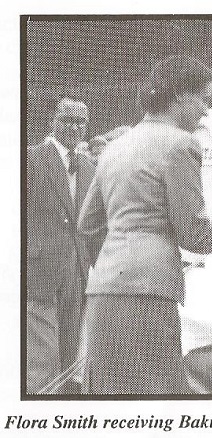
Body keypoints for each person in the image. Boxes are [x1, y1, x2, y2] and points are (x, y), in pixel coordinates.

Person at [77, 55, 212, 394]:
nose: (206, 110)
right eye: (203, 98)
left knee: (107, 397)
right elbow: (193, 234)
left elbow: (87, 225)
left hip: (103, 288)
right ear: (179, 95)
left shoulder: (115, 147)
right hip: (150, 291)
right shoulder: (181, 144)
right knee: (154, 398)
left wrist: (112, 266)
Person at [26, 95, 96, 394]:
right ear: (52, 120)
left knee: (69, 355)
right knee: (42, 356)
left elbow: (93, 224)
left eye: (81, 122)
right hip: (38, 268)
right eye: (67, 119)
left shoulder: (90, 166)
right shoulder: (30, 158)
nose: (74, 127)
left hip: (78, 270)